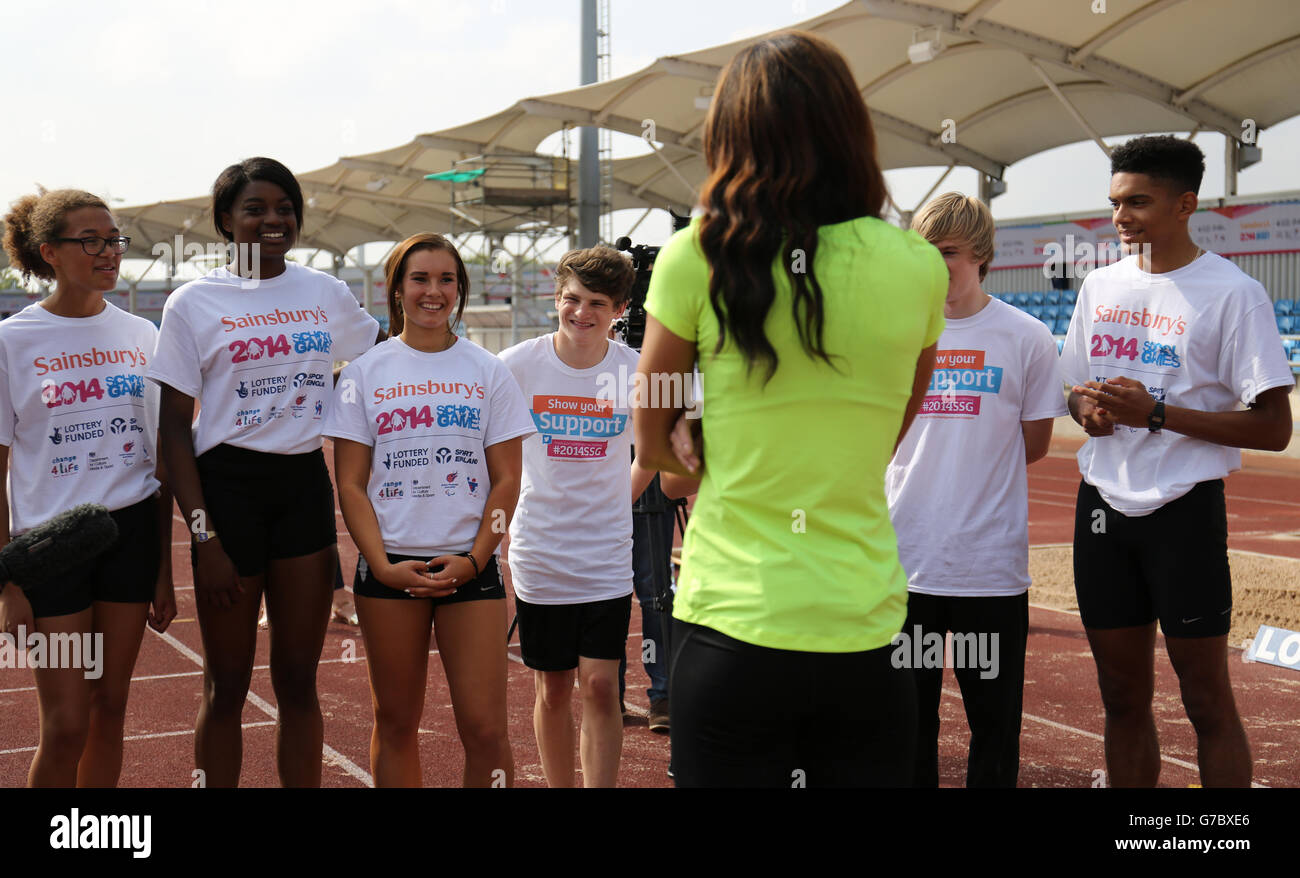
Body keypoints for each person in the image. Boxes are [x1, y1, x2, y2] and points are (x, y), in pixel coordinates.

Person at [634, 30, 948, 787]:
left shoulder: (697, 253)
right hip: (865, 635)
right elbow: (901, 416)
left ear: (731, 136)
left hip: (732, 630)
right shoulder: (918, 265)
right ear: (850, 130)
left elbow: (652, 439)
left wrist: (705, 451)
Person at [1062, 135, 1294, 788]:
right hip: (1102, 507)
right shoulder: (1100, 284)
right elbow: (1076, 391)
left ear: (1185, 204)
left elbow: (1275, 427)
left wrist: (1156, 414)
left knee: (1205, 699)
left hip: (1183, 510)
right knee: (1121, 696)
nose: (1121, 217)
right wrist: (1092, 413)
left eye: (1138, 201)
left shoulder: (1233, 293)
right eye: (1115, 203)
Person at [148, 157, 381, 787]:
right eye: (255, 208)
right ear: (226, 220)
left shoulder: (325, 293)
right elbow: (173, 429)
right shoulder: (193, 302)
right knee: (225, 685)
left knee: (300, 682)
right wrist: (204, 536)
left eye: (284, 208)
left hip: (302, 486)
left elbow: (383, 360)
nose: (272, 219)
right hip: (225, 493)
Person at [326, 233, 532, 787]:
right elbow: (350, 485)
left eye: (446, 280)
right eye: (420, 279)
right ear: (396, 290)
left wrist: (475, 558)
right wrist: (383, 564)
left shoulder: (488, 371)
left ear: (460, 290)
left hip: (471, 568)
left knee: (487, 729)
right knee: (394, 722)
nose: (433, 291)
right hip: (389, 570)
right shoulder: (367, 372)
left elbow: (507, 480)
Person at [887, 192, 1067, 787]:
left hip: (987, 571)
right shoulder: (892, 335)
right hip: (902, 565)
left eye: (949, 254)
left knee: (994, 732)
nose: (936, 268)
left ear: (982, 256)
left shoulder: (1027, 337)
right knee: (906, 733)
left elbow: (1034, 443)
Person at [0, 189, 176, 786]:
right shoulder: (12, 342)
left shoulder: (142, 336)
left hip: (129, 535)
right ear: (49, 252)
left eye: (113, 240)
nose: (109, 252)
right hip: (52, 550)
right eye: (91, 241)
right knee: (67, 723)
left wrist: (162, 570)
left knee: (109, 711)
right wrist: (6, 581)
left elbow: (158, 459)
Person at [499, 245, 646, 787]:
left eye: (597, 303)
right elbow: (495, 457)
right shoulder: (516, 366)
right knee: (553, 687)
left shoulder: (636, 371)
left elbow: (653, 456)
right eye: (572, 299)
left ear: (620, 310)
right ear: (557, 299)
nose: (581, 313)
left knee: (603, 686)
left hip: (606, 555)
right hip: (540, 551)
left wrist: (617, 504)